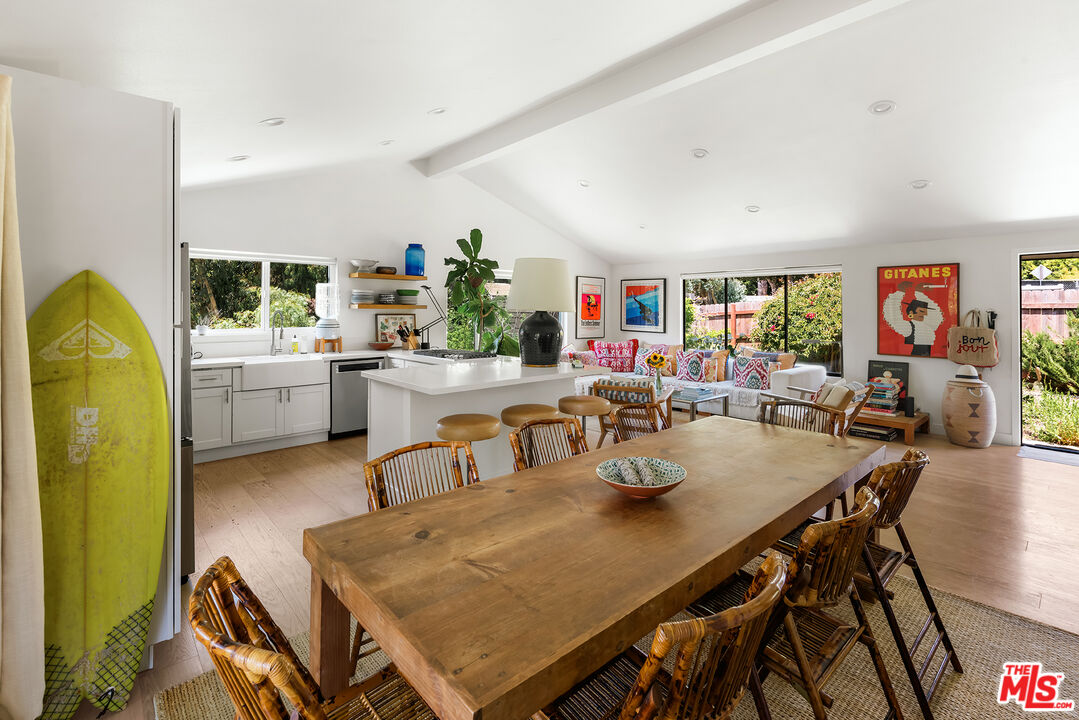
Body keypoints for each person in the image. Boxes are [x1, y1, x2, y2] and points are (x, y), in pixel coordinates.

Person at [882, 281, 944, 356]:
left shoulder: (928, 325)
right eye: (921, 311)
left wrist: (919, 293)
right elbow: (893, 316)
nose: (925, 314)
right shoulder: (908, 327)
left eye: (925, 312)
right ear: (911, 313)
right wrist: (900, 293)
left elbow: (937, 314)